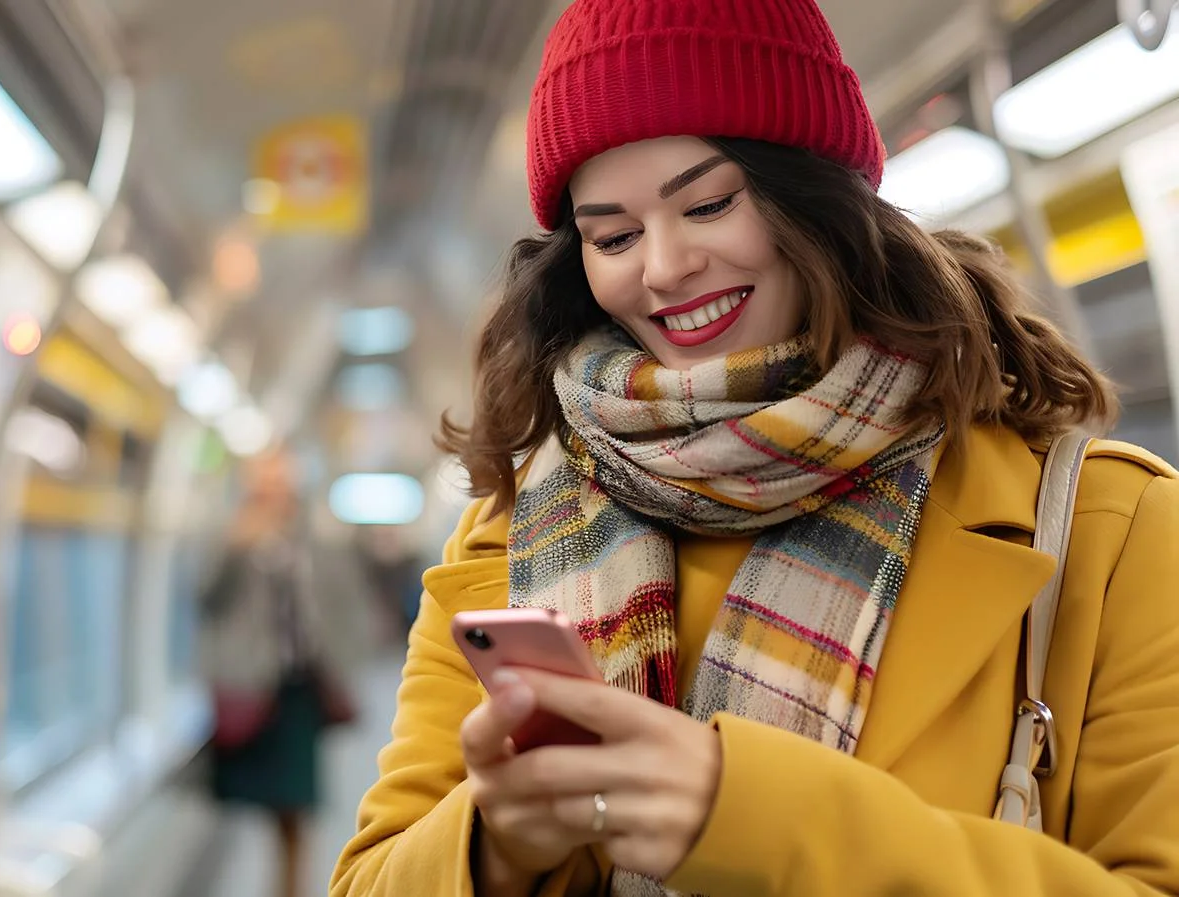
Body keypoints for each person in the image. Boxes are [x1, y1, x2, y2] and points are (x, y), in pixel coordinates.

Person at [330, 1, 1179, 895]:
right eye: (613, 236)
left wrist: (746, 812)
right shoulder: (510, 532)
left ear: (815, 196)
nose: (662, 267)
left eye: (707, 203)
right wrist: (497, 840)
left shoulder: (1108, 532)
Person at [200, 448, 348, 897]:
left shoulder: (310, 534)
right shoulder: (232, 532)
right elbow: (206, 596)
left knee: (297, 806)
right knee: (258, 800)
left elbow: (333, 596)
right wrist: (236, 543)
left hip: (299, 684)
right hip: (253, 682)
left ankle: (290, 888)